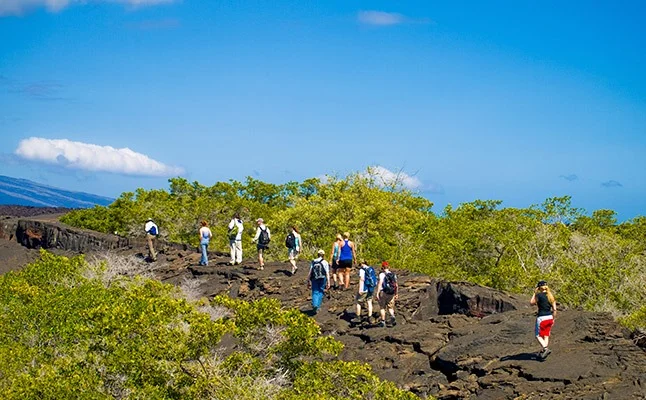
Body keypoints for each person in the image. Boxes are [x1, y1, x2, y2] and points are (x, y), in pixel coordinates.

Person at [530, 280, 557, 359]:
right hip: (549, 317)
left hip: (542, 317)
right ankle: (544, 351)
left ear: (539, 287)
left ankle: (545, 348)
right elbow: (555, 309)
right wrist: (554, 319)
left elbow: (531, 303)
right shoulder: (551, 296)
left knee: (538, 335)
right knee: (546, 334)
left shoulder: (539, 295)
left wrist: (534, 293)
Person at [307, 249, 330, 314]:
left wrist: (308, 280)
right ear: (323, 255)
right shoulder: (325, 262)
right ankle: (318, 306)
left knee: (315, 291)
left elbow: (310, 272)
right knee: (321, 291)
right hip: (323, 278)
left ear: (318, 254)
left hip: (314, 278)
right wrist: (328, 282)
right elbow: (327, 272)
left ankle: (315, 305)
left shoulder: (313, 261)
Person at [375, 261, 398, 328]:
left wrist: (377, 293)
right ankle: (392, 316)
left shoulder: (382, 275)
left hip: (383, 292)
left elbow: (380, 283)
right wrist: (396, 293)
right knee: (390, 307)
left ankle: (383, 321)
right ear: (389, 267)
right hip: (391, 293)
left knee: (382, 307)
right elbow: (396, 285)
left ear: (382, 267)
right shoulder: (393, 275)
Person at [355, 260, 377, 325]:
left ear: (361, 264)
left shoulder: (362, 270)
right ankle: (370, 316)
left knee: (358, 302)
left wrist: (360, 289)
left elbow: (362, 279)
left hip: (364, 288)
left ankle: (358, 317)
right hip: (371, 288)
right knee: (369, 301)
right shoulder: (371, 269)